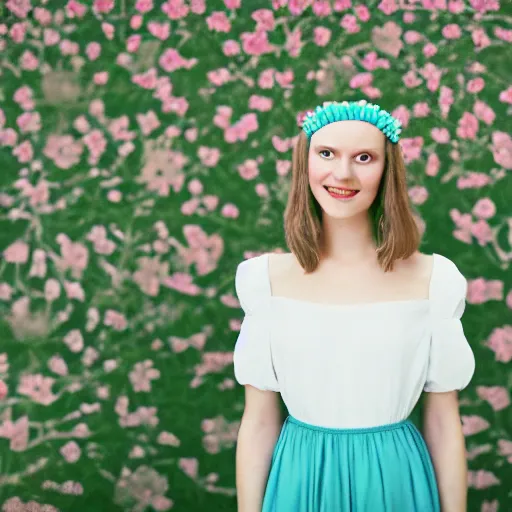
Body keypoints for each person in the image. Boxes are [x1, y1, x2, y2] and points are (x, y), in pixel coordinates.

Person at [233, 99, 475, 512]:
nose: (342, 173)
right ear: (304, 162)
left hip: (395, 481)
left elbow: (442, 422)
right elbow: (257, 422)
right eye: (327, 154)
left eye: (364, 157)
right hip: (300, 482)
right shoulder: (263, 282)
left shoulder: (435, 281)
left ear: (388, 170)